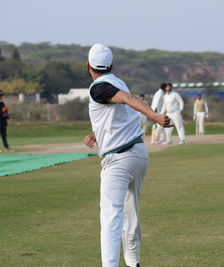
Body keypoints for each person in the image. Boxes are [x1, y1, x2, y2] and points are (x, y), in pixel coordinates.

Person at [83, 43, 171, 267]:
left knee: (111, 217)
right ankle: (134, 263)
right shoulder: (118, 81)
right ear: (111, 65)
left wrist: (154, 116)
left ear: (88, 67)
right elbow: (119, 114)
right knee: (131, 214)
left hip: (118, 160)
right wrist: (96, 134)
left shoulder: (98, 87)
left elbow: (129, 100)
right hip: (138, 154)